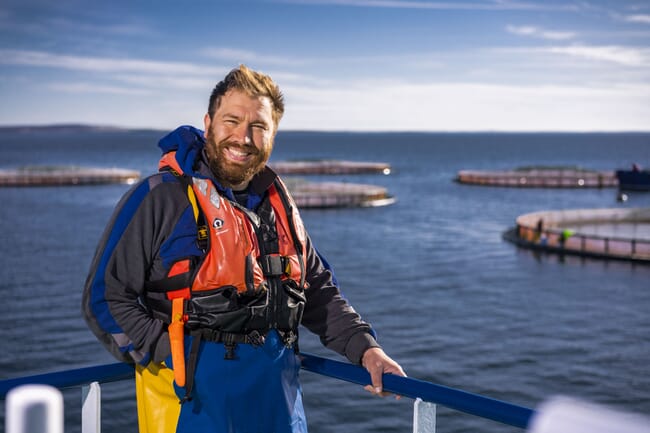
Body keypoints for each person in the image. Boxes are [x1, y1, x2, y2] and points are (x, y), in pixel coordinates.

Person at [82, 64, 405, 433]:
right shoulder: (160, 199)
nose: (243, 137)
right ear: (208, 124)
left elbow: (316, 292)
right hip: (190, 413)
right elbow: (104, 299)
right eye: (231, 121)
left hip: (279, 414)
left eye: (258, 126)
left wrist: (367, 349)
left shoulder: (278, 206)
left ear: (272, 135)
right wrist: (167, 352)